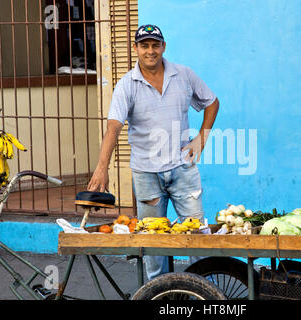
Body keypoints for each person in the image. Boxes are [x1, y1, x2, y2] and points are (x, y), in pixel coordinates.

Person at [87, 24, 219, 279]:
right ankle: (160, 297)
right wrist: (102, 168)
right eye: (144, 45)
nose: (150, 51)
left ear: (163, 47)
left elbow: (212, 102)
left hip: (183, 170)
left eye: (155, 45)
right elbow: (113, 127)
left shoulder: (183, 75)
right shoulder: (127, 85)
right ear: (136, 49)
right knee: (153, 246)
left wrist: (201, 139)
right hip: (147, 174)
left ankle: (206, 294)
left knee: (198, 240)